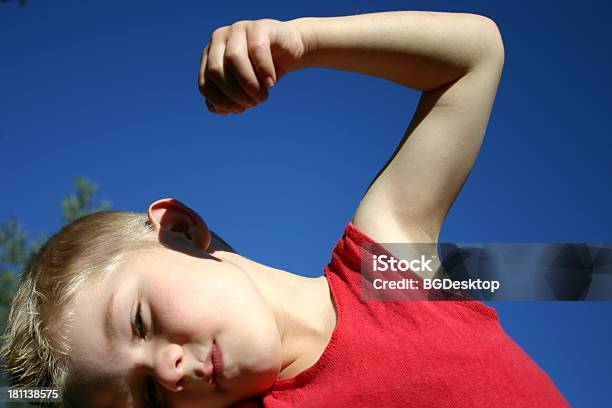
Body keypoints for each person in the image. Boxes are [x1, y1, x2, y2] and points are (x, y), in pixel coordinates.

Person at [1, 10, 570, 407]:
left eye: (140, 322)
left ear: (179, 229)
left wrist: (303, 42)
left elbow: (473, 57)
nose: (169, 372)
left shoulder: (384, 272)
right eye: (147, 396)